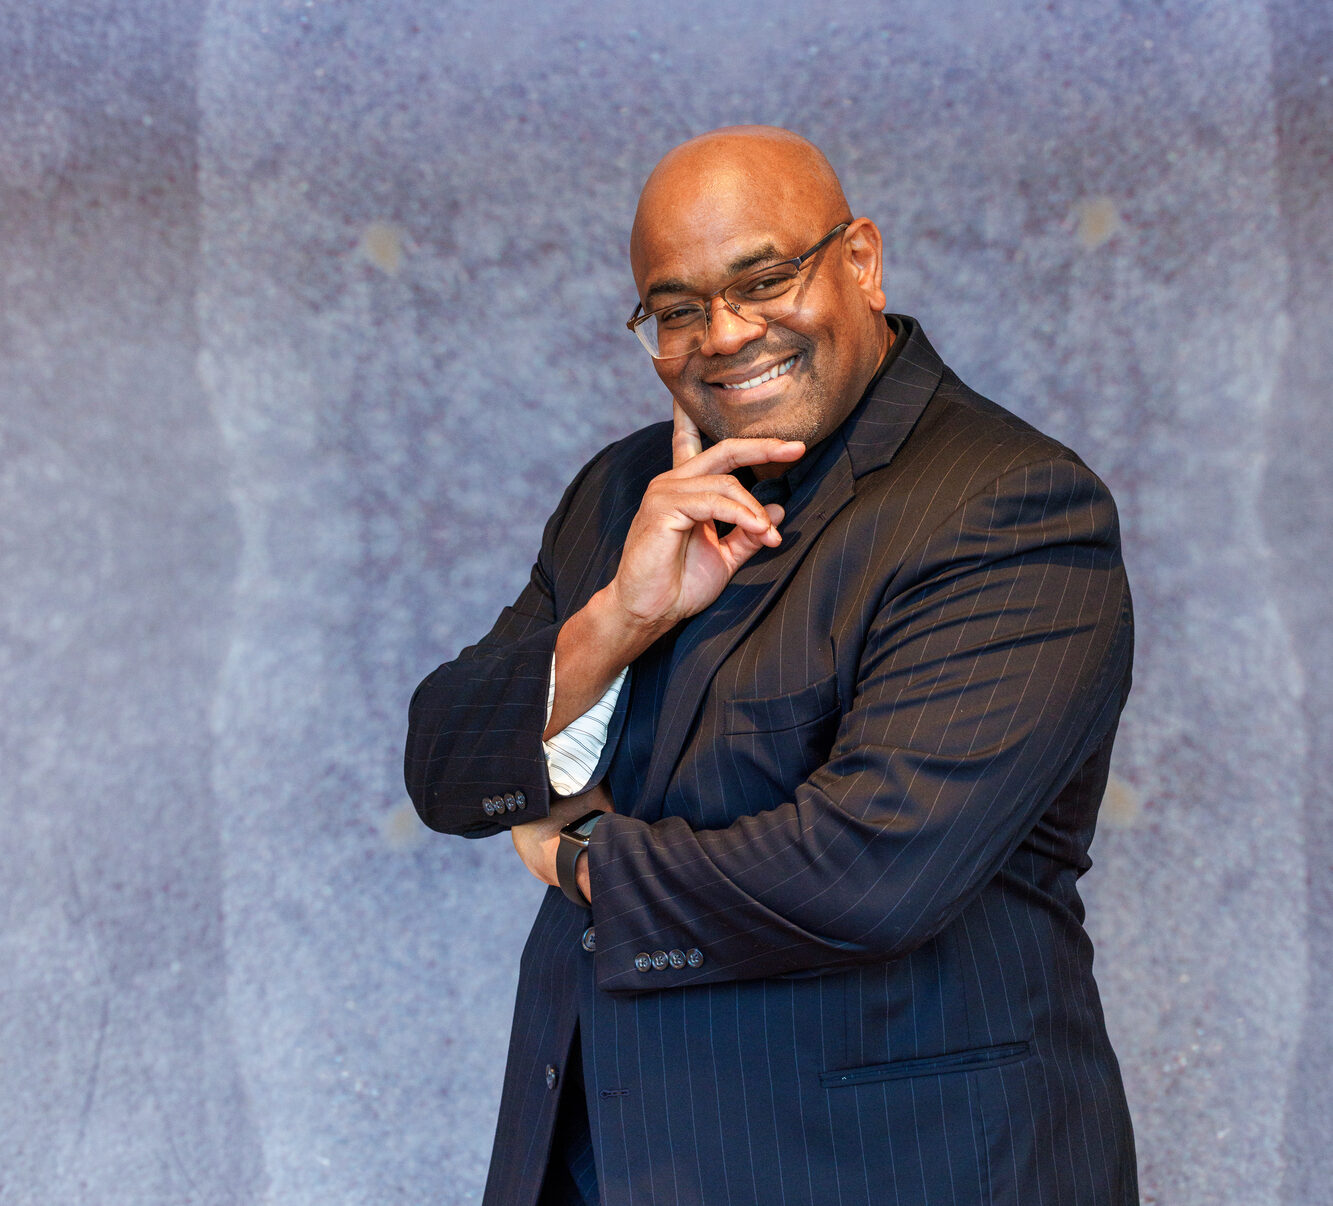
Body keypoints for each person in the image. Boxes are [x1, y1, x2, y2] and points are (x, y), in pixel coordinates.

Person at [405, 125, 1137, 1206]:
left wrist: (583, 856)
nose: (726, 335)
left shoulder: (1006, 505)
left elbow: (868, 873)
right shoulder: (622, 496)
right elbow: (450, 769)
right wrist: (617, 618)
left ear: (860, 261)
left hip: (889, 1171)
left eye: (765, 279)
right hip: (599, 1161)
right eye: (677, 309)